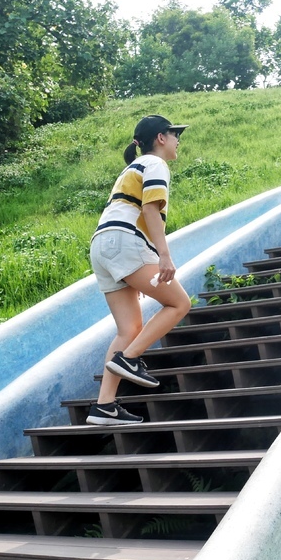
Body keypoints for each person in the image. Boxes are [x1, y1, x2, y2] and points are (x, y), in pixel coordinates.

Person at [87, 115, 192, 425]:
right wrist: (164, 256)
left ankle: (104, 406)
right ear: (161, 138)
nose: (177, 140)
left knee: (129, 328)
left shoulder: (132, 168)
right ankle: (130, 359)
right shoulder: (156, 164)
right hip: (125, 242)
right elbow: (150, 209)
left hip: (102, 246)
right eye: (175, 134)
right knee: (179, 303)